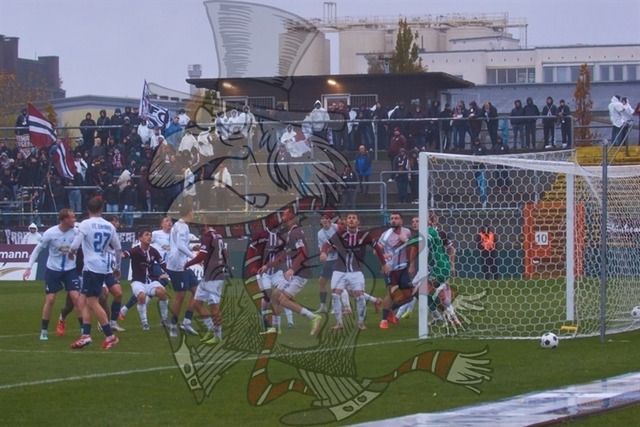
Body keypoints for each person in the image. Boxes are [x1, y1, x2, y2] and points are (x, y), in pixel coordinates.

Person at [257, 207, 322, 335]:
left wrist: (292, 269)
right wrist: (268, 266)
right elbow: (284, 255)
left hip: (300, 273)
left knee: (283, 300)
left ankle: (313, 317)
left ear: (292, 217)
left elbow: (303, 253)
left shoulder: (295, 233)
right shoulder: (290, 233)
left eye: (284, 215)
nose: (282, 217)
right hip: (295, 273)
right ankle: (276, 328)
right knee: (275, 296)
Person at [68, 197, 121, 350]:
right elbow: (118, 249)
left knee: (92, 302)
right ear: (101, 209)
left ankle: (110, 336)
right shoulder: (109, 226)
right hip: (101, 266)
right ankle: (85, 335)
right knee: (83, 301)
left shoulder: (85, 224)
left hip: (92, 267)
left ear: (88, 209)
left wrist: (71, 252)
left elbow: (75, 245)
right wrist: (117, 266)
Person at [319, 212, 386, 330]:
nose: (351, 220)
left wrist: (384, 264)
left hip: (356, 271)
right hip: (339, 270)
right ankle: (339, 323)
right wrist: (323, 253)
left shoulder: (364, 235)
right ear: (346, 222)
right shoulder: (340, 234)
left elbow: (377, 247)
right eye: (349, 218)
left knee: (360, 296)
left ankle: (361, 323)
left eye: (354, 218)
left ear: (358, 222)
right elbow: (326, 244)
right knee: (335, 295)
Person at [23, 209, 81, 341]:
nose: (74, 220)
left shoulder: (76, 232)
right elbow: (37, 250)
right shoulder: (50, 233)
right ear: (65, 220)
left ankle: (84, 330)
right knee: (50, 299)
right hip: (53, 269)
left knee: (76, 298)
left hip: (70, 269)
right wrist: (29, 267)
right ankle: (44, 331)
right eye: (72, 218)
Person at [184, 226, 229, 344]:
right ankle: (210, 328)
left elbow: (201, 256)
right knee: (196, 303)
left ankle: (218, 336)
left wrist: (188, 264)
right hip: (208, 277)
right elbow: (225, 253)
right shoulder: (218, 236)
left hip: (213, 278)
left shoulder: (207, 236)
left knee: (214, 307)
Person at [122, 229, 170, 330]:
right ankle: (145, 323)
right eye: (147, 235)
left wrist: (169, 273)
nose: (149, 237)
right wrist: (120, 255)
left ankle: (164, 320)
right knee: (142, 296)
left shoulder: (153, 251)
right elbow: (126, 254)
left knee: (162, 292)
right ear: (140, 238)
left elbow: (162, 263)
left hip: (151, 280)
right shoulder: (136, 250)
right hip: (137, 281)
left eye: (150, 235)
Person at [376, 212, 412, 329]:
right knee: (391, 293)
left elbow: (411, 246)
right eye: (391, 218)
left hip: (403, 267)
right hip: (390, 269)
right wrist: (383, 256)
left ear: (401, 221)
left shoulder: (407, 232)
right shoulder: (386, 235)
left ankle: (390, 310)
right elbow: (376, 251)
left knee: (409, 295)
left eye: (396, 218)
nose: (393, 220)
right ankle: (383, 320)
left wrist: (406, 241)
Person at [167, 204, 198, 337]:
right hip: (178, 265)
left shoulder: (179, 225)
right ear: (189, 213)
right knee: (180, 296)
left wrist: (191, 248)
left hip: (183, 264)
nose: (194, 214)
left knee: (197, 291)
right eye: (193, 212)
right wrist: (194, 257)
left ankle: (186, 322)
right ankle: (173, 325)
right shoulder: (182, 226)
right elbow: (179, 246)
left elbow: (180, 245)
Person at [472, 138, 488, 208]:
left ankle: (484, 201)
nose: (476, 142)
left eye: (477, 141)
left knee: (483, 187)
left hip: (482, 168)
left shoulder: (483, 148)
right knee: (478, 185)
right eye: (475, 141)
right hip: (475, 169)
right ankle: (481, 199)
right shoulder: (473, 148)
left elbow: (485, 157)